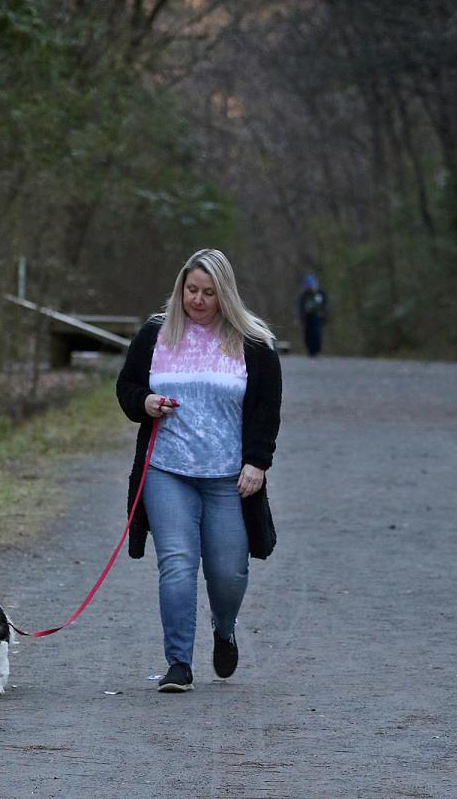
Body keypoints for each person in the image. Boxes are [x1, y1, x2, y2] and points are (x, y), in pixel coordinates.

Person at [116, 248, 282, 692]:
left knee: (228, 572)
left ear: (224, 293)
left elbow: (266, 409)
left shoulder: (253, 343)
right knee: (177, 563)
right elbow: (128, 387)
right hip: (166, 469)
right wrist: (145, 403)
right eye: (191, 290)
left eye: (209, 292)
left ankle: (223, 629)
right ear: (180, 288)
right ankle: (178, 664)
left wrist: (257, 463)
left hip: (229, 476)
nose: (199, 300)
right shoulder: (156, 333)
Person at [296, 271, 328, 357]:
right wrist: (300, 317)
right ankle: (310, 351)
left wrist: (324, 315)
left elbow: (325, 305)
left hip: (317, 316)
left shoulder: (321, 293)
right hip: (307, 317)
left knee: (316, 333)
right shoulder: (305, 295)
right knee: (308, 334)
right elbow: (301, 306)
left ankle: (317, 351)